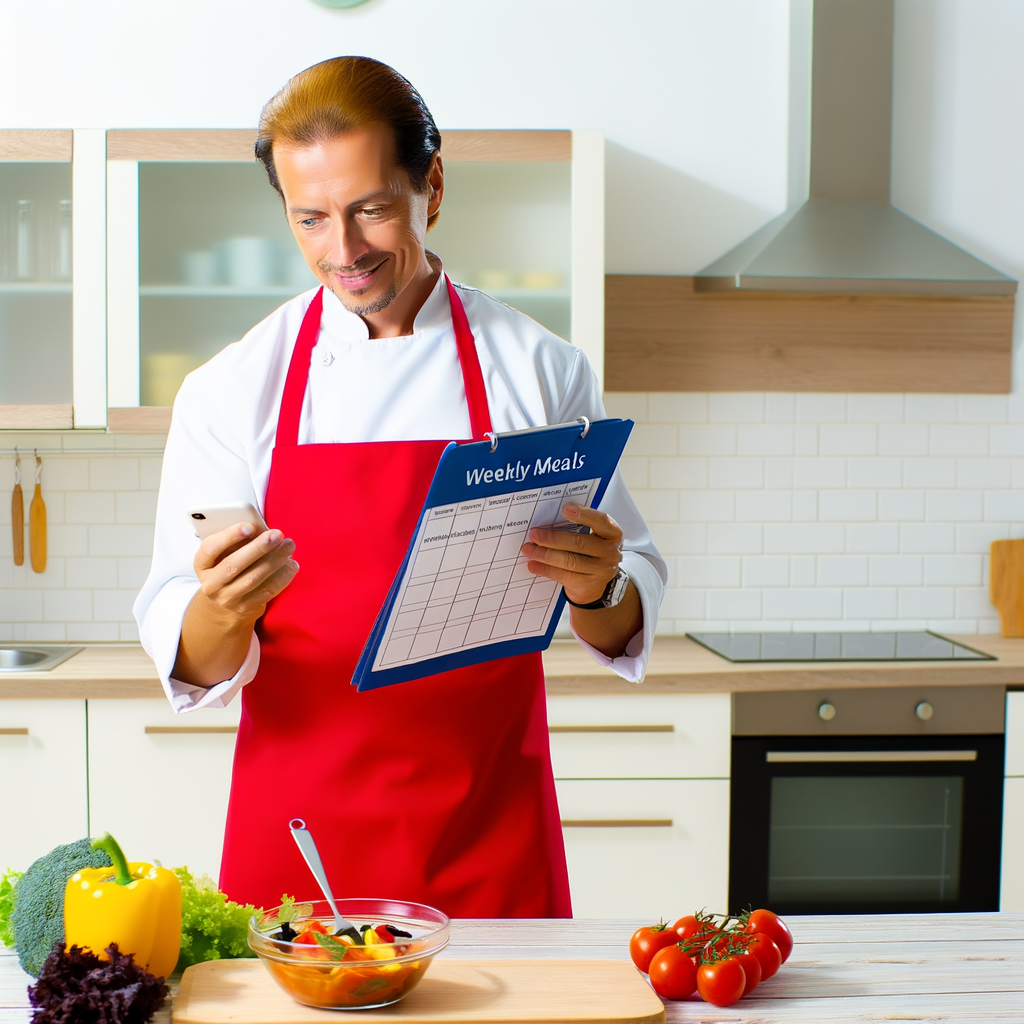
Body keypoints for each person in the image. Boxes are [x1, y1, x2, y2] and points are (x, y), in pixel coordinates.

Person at [135, 56, 666, 917]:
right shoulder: (235, 388)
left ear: (434, 187)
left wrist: (600, 582)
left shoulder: (540, 370)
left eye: (371, 210)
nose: (341, 251)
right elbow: (191, 658)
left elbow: (622, 610)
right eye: (310, 219)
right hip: (302, 844)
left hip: (488, 828)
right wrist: (223, 610)